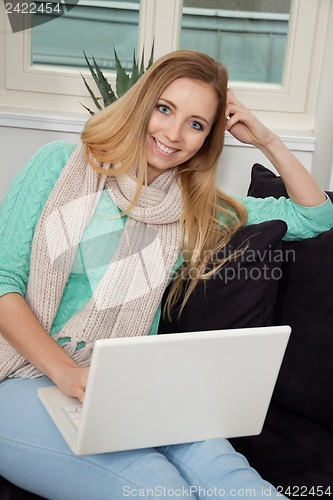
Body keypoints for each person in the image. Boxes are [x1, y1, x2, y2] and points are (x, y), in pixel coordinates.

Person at [0, 50, 332, 499]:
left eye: (197, 124)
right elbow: (3, 282)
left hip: (128, 382)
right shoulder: (57, 165)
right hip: (18, 376)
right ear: (142, 105)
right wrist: (65, 373)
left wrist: (267, 140)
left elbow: (315, 217)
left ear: (207, 139)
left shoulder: (196, 209)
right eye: (165, 108)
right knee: (159, 489)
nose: (174, 134)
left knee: (236, 482)